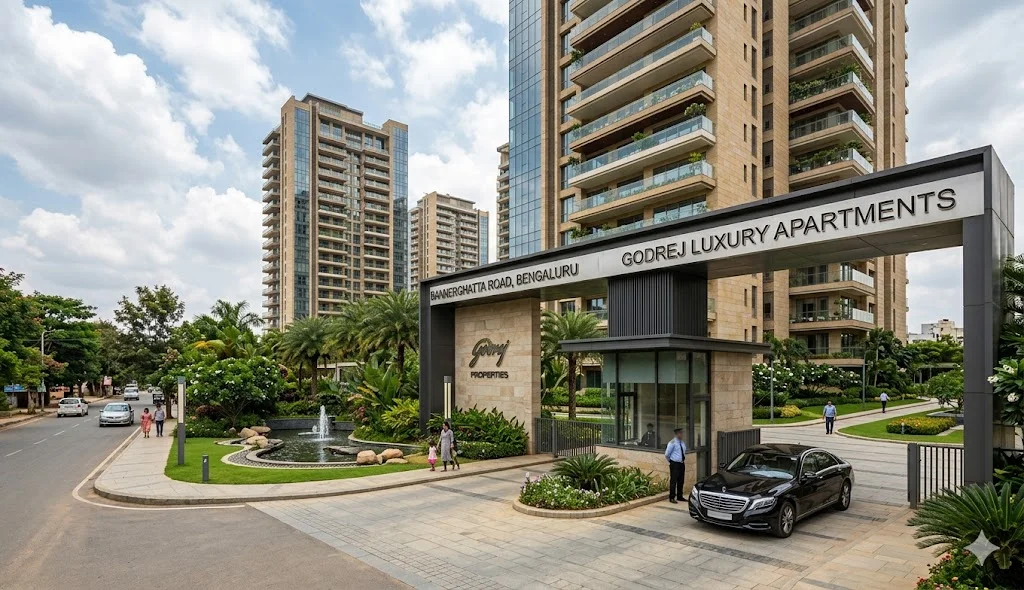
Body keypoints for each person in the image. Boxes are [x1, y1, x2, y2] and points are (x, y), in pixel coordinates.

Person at [665, 427, 687, 504]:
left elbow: (683, 452)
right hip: (674, 464)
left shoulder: (682, 443)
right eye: (680, 433)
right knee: (673, 481)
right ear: (676, 434)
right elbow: (667, 454)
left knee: (681, 480)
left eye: (682, 433)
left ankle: (680, 496)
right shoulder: (672, 443)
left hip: (681, 464)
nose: (681, 435)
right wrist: (671, 461)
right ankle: (672, 497)